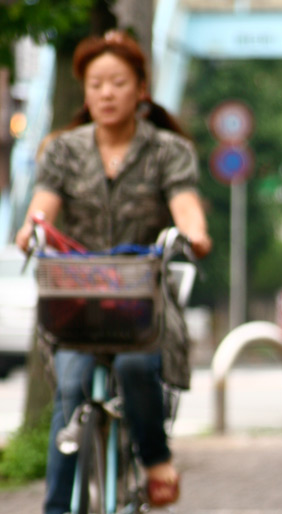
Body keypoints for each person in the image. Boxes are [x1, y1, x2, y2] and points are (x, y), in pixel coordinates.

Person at [14, 30, 212, 514]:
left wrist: (194, 232)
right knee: (70, 387)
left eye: (118, 82)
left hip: (141, 297)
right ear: (84, 89)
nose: (106, 92)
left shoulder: (168, 150)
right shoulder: (62, 149)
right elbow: (43, 207)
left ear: (141, 88)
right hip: (77, 300)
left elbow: (185, 205)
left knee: (135, 364)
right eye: (96, 83)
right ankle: (57, 508)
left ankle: (156, 460)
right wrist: (29, 229)